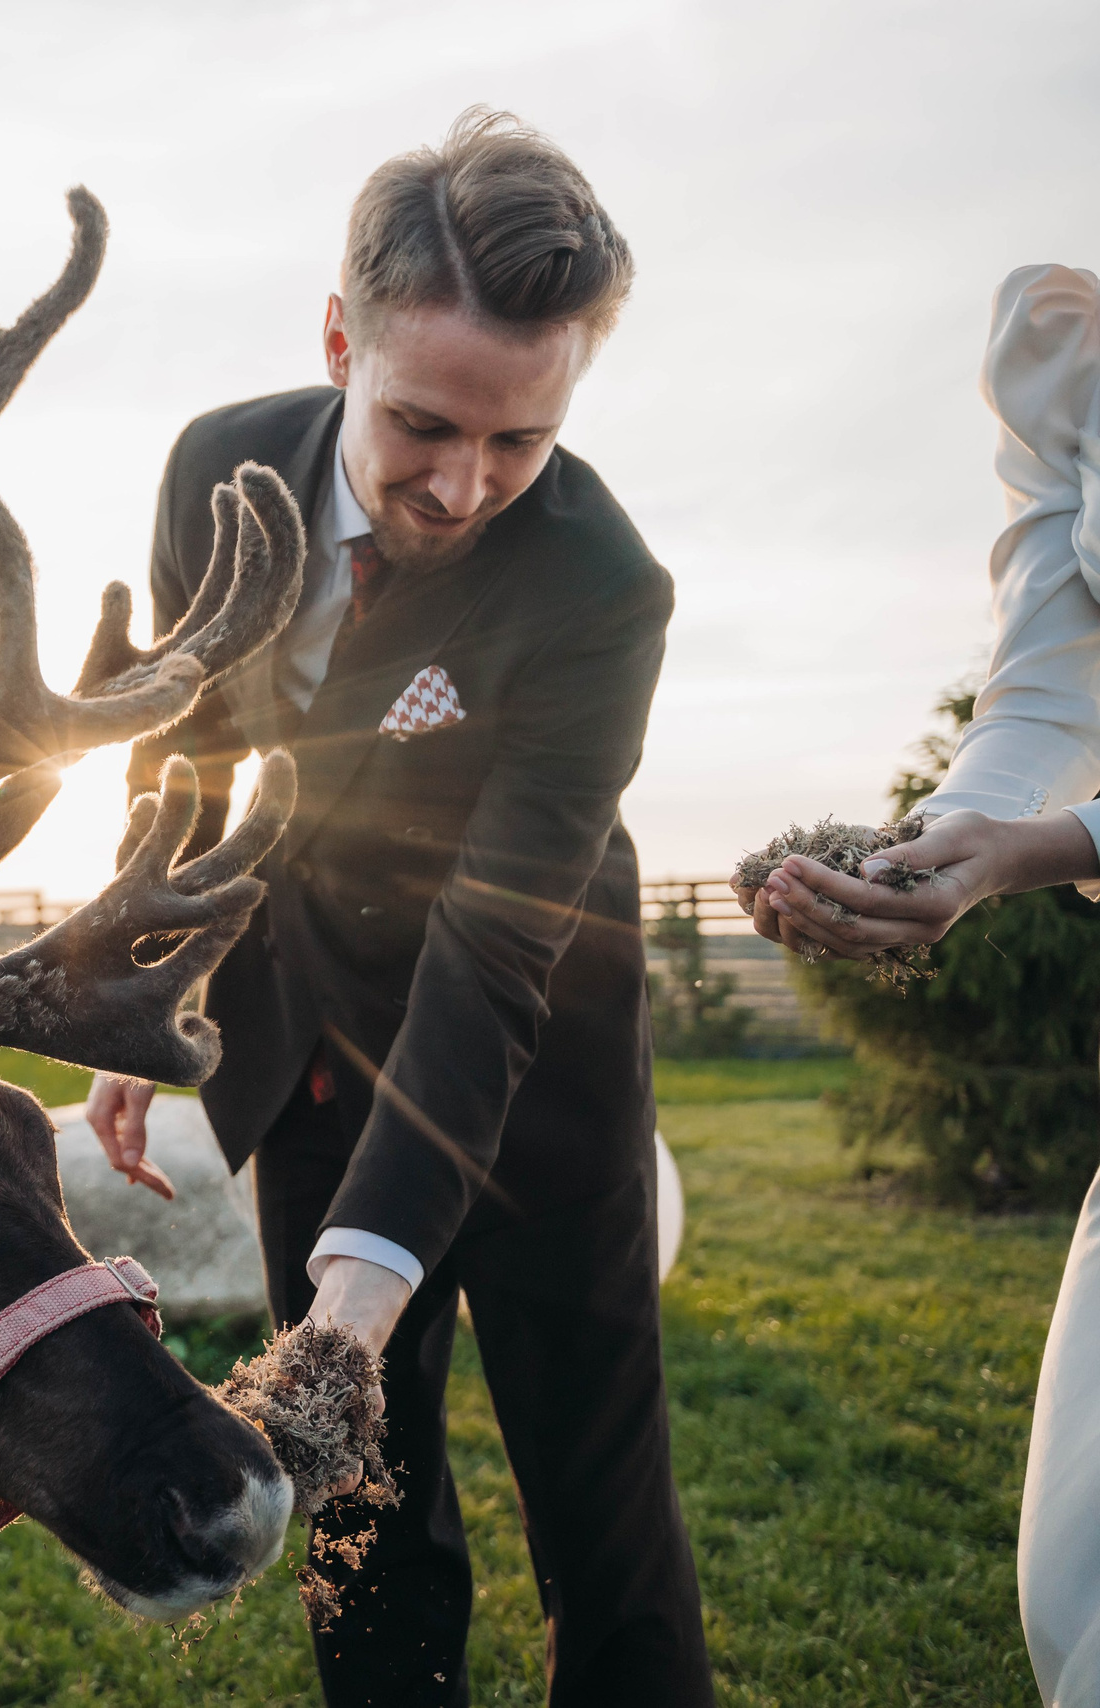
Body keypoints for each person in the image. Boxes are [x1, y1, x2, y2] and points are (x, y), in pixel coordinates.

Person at [85, 111, 711, 1706]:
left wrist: (363, 1285)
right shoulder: (216, 469)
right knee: (362, 1522)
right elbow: (186, 751)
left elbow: (496, 949)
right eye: (425, 424)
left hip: (540, 1066)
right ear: (337, 340)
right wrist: (143, 987)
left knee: (605, 1524)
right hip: (308, 1049)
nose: (464, 485)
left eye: (521, 442)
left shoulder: (603, 590)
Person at [738, 262, 1100, 1708]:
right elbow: (1050, 689)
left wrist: (1047, 852)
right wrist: (936, 844)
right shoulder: (1066, 346)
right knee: (1077, 1594)